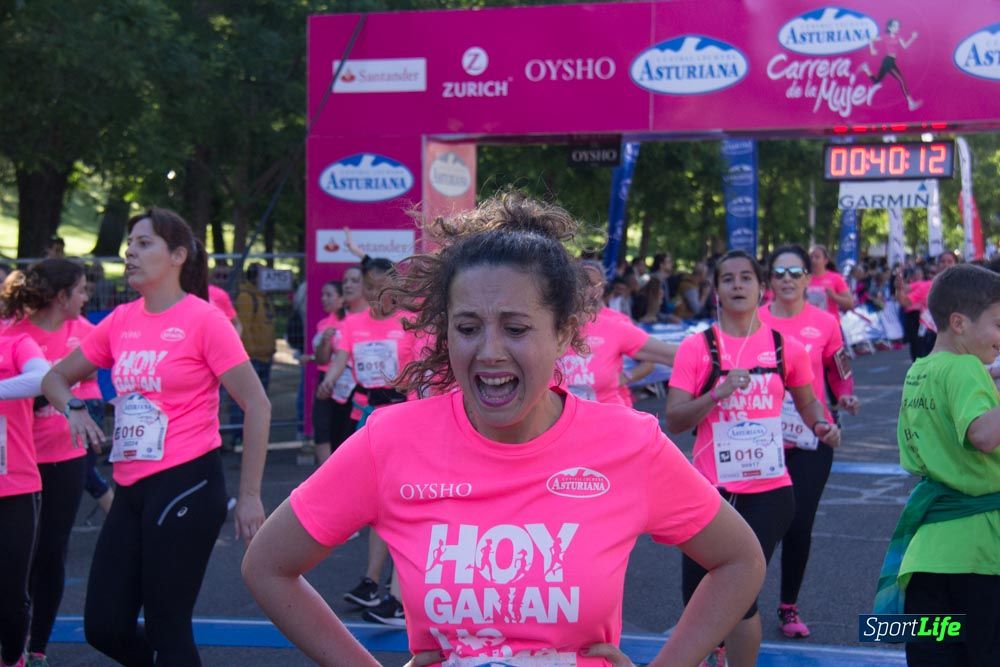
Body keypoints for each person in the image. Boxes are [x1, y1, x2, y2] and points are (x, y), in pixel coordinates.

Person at [243, 192, 766, 667]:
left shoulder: (630, 443)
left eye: (516, 329)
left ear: (563, 335)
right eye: (467, 328)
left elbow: (739, 559)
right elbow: (267, 565)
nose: (489, 351)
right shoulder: (391, 440)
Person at [42, 207, 270, 666]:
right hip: (130, 486)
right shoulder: (121, 320)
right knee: (103, 626)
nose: (130, 252)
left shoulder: (204, 320)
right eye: (130, 244)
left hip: (189, 482)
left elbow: (258, 404)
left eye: (144, 243)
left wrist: (249, 497)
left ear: (178, 255)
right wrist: (75, 408)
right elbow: (54, 379)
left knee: (169, 625)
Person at [665, 249, 840, 667]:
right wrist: (716, 394)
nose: (738, 285)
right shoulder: (697, 348)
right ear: (717, 292)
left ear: (760, 289)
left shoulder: (785, 348)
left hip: (769, 489)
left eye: (746, 278)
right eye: (729, 279)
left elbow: (808, 403)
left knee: (739, 593)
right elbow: (674, 419)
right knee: (697, 591)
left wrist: (822, 426)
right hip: (709, 490)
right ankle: (714, 653)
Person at [874, 265, 1000, 666]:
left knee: (933, 655)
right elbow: (982, 435)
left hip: (926, 550)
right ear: (959, 323)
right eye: (998, 325)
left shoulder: (920, 370)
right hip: (979, 552)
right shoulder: (965, 369)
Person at [1, 259, 101, 666]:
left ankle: (36, 646)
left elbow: (91, 385)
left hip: (64, 457)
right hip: (22, 459)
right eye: (80, 289)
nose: (87, 297)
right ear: (61, 296)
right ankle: (15, 641)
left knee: (50, 553)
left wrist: (73, 398)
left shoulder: (86, 333)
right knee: (16, 562)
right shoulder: (15, 334)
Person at [758, 245, 860, 640]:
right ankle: (736, 605)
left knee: (799, 523)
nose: (786, 278)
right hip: (760, 435)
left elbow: (840, 369)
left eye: (794, 272)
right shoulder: (753, 319)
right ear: (770, 280)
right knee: (755, 526)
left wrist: (846, 394)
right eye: (779, 272)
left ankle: (788, 606)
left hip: (812, 434)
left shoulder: (825, 322)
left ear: (806, 279)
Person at [316, 255, 420, 624]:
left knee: (398, 501)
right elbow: (340, 357)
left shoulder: (409, 325)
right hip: (367, 418)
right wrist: (330, 379)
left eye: (380, 288)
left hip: (403, 418)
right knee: (376, 502)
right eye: (369, 287)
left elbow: (421, 370)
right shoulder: (353, 323)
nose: (375, 295)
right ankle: (373, 581)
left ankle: (397, 588)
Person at [561, 261, 677, 406]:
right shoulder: (558, 323)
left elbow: (651, 361)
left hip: (610, 407)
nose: (585, 289)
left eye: (592, 284)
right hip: (569, 412)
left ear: (602, 289)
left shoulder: (617, 323)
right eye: (580, 282)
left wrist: (624, 377)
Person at [0, 332, 49, 667]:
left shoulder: (15, 342)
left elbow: (42, 378)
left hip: (13, 484)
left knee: (12, 592)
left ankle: (13, 657)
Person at [231, 263, 276, 444]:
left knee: (258, 402)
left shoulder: (263, 297)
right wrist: (251, 353)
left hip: (264, 355)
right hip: (253, 357)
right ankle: (238, 438)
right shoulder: (247, 297)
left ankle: (253, 438)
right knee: (244, 402)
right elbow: (245, 328)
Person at [858, 18, 921, 111]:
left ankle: (866, 69)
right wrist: (872, 50)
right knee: (902, 81)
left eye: (898, 26)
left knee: (877, 81)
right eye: (895, 26)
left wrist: (912, 38)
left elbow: (905, 46)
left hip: (890, 61)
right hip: (888, 61)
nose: (897, 27)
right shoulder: (885, 36)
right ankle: (911, 103)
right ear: (890, 27)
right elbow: (871, 39)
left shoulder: (898, 37)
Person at [806, 245, 853, 318]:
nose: (813, 260)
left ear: (825, 261)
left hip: (830, 325)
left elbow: (850, 304)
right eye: (811, 257)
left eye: (817, 257)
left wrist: (834, 297)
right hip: (809, 325)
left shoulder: (836, 278)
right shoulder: (803, 279)